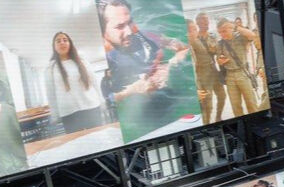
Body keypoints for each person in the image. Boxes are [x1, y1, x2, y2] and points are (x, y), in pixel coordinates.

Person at [99, 0, 194, 139]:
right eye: (119, 26)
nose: (129, 31)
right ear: (104, 33)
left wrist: (169, 66)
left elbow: (184, 48)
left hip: (172, 106)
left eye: (129, 22)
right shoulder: (106, 59)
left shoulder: (147, 37)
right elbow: (106, 102)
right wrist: (132, 90)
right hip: (140, 124)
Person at [44, 32, 107, 134]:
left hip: (91, 106)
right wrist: (55, 113)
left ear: (70, 43)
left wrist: (101, 100)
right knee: (79, 144)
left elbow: (94, 82)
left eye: (65, 40)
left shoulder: (82, 61)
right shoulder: (50, 68)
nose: (62, 43)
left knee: (99, 136)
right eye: (58, 41)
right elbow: (50, 93)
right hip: (69, 112)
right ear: (54, 46)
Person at [214, 18, 264, 117]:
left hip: (243, 73)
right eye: (220, 32)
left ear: (230, 28)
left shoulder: (240, 38)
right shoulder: (220, 44)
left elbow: (252, 35)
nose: (222, 34)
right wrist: (221, 61)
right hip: (229, 76)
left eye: (224, 31)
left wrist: (236, 26)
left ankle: (256, 121)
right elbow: (218, 59)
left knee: (251, 103)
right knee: (235, 105)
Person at [188, 14, 226, 123]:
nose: (207, 22)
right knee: (207, 102)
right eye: (204, 20)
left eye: (208, 20)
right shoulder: (194, 38)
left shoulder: (212, 36)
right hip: (202, 74)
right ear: (198, 22)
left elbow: (217, 51)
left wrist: (220, 57)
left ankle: (218, 117)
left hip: (213, 70)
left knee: (222, 96)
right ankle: (207, 123)